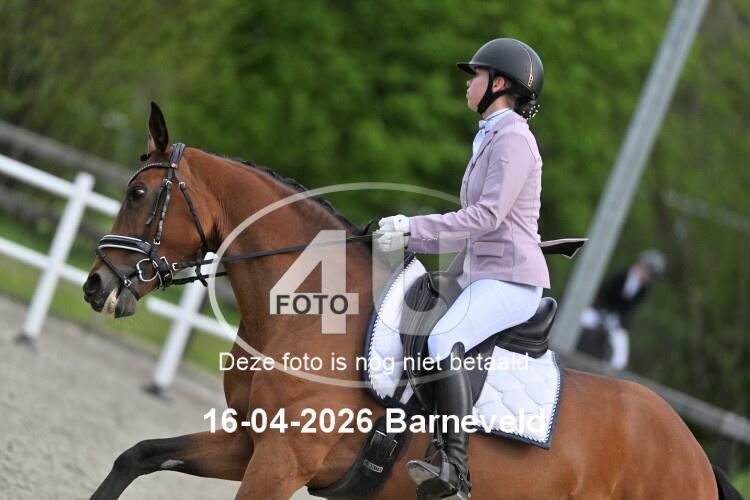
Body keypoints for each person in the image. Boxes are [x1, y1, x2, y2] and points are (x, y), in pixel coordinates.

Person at [375, 38, 549, 499]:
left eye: (476, 75)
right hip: (483, 272)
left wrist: (412, 229)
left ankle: (455, 469)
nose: (468, 84)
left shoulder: (513, 140)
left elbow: (487, 217)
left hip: (511, 280)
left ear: (499, 84)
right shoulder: (492, 135)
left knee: (441, 340)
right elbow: (481, 230)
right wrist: (443, 273)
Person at [578, 249, 667, 369]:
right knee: (582, 319)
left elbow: (630, 311)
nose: (648, 277)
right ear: (642, 265)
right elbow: (602, 293)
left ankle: (611, 372)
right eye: (648, 272)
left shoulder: (644, 290)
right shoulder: (620, 274)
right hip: (599, 311)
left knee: (621, 348)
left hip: (615, 321)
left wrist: (618, 322)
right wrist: (602, 312)